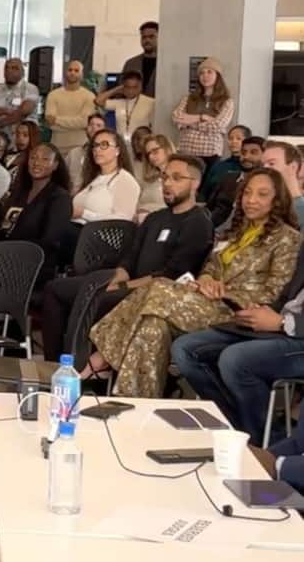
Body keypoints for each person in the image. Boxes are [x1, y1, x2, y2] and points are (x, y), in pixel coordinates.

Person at [87, 168, 302, 397]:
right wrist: (206, 279)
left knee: (158, 286)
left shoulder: (287, 239)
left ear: (277, 200)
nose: (251, 200)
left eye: (262, 194)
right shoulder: (235, 232)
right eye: (247, 193)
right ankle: (138, 403)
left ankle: (99, 359)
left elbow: (275, 293)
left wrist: (225, 293)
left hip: (239, 312)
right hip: (205, 303)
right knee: (153, 326)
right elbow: (211, 265)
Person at [41, 154, 214, 361]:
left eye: (176, 178)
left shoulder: (198, 222)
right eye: (165, 177)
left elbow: (172, 274)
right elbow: (130, 257)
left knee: (95, 298)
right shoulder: (155, 217)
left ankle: (81, 370)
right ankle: (53, 365)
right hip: (129, 278)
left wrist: (123, 287)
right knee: (56, 289)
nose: (167, 183)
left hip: (154, 292)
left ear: (195, 183)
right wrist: (118, 277)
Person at [172, 241, 304, 441]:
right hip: (281, 326)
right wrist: (261, 309)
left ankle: (265, 444)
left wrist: (283, 322)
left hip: (297, 334)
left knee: (235, 359)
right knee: (186, 348)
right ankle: (235, 427)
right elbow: (288, 296)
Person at [0, 142, 73, 285]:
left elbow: (49, 240)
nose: (37, 163)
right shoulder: (19, 193)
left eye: (45, 159)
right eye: (33, 158)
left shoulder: (59, 197)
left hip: (33, 262)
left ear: (55, 165)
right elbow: (1, 226)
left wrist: (9, 252)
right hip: (2, 254)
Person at [172, 57, 234, 169]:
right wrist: (205, 118)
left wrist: (193, 120)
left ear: (218, 76)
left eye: (209, 72)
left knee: (207, 185)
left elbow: (218, 126)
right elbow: (177, 118)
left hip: (210, 153)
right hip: (187, 150)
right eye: (202, 73)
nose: (205, 76)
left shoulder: (226, 101)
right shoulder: (189, 98)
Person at [73, 129, 141, 224]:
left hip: (97, 235)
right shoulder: (92, 178)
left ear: (117, 150)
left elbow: (123, 221)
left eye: (104, 144)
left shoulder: (124, 179)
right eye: (95, 145)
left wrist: (84, 214)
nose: (97, 149)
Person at [44, 59, 97, 155]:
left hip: (80, 146)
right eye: (70, 70)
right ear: (65, 72)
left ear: (82, 74)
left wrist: (56, 120)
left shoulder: (89, 96)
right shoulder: (53, 95)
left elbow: (84, 122)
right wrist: (76, 124)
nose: (72, 73)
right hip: (57, 147)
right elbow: (51, 124)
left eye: (76, 71)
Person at [0, 57, 40, 133]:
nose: (9, 70)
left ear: (22, 73)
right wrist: (4, 111)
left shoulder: (30, 88)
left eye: (14, 68)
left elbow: (23, 111)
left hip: (21, 137)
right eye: (6, 68)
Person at [97, 70, 153, 143]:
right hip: (122, 144)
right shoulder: (119, 102)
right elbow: (98, 101)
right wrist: (117, 89)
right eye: (128, 87)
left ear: (140, 87)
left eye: (135, 87)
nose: (131, 90)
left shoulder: (150, 102)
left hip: (140, 145)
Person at [202, 125, 251, 199]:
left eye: (238, 138)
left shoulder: (250, 167)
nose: (233, 141)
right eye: (230, 138)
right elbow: (205, 192)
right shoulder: (218, 166)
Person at [262, 140, 304, 224]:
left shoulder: (301, 210)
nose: (264, 168)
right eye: (262, 164)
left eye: (271, 163)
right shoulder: (252, 203)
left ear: (293, 167)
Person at [137, 134, 176, 218]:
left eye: (155, 151)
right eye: (148, 154)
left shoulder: (178, 177)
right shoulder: (149, 180)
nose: (151, 157)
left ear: (167, 149)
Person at [66, 113, 107, 193]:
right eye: (91, 124)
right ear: (86, 129)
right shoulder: (73, 153)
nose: (94, 127)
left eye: (99, 125)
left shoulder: (108, 156)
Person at [121, 20, 159, 97]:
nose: (147, 40)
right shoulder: (130, 64)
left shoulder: (167, 64)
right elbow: (122, 89)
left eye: (151, 37)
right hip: (134, 107)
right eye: (144, 37)